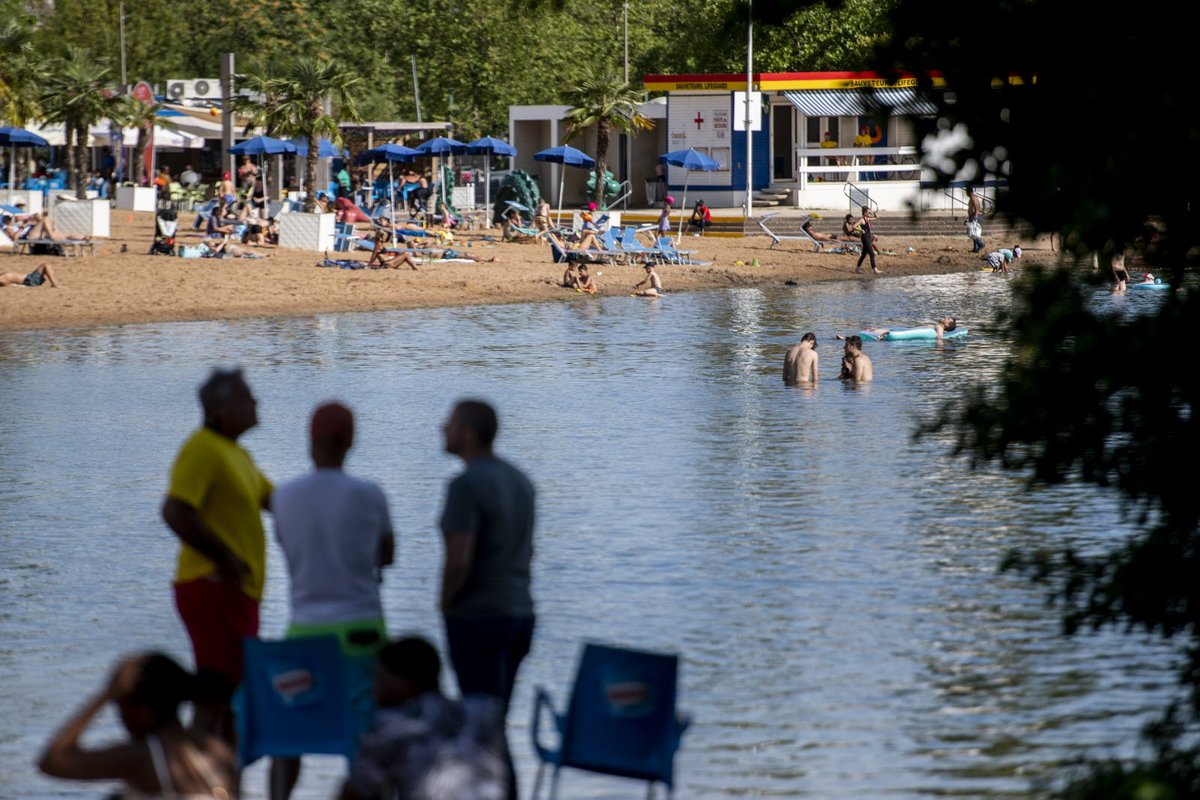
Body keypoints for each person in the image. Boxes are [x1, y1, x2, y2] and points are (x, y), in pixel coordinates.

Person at [270, 402, 396, 800]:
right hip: (361, 632)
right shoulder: (369, 494)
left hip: (303, 635)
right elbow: (387, 555)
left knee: (288, 737)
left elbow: (287, 547)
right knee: (365, 739)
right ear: (351, 442)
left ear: (310, 441)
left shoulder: (283, 497)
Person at [161, 368, 272, 743]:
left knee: (232, 700)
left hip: (236, 594)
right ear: (219, 410)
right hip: (212, 590)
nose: (256, 401)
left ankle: (221, 783)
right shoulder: (202, 449)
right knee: (218, 699)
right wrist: (225, 559)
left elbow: (276, 500)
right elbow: (175, 510)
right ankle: (197, 783)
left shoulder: (236, 453)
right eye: (246, 396)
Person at [439, 399, 535, 800]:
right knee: (494, 723)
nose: (442, 428)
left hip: (478, 616)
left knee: (480, 723)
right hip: (520, 613)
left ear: (470, 433)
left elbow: (460, 557)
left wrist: (444, 604)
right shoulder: (520, 480)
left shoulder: (466, 484)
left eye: (451, 423)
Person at [38, 654, 238, 798]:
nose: (121, 719)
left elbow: (52, 761)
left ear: (142, 711)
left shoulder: (143, 756)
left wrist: (105, 695)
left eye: (120, 707)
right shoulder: (218, 751)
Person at [339, 637, 508, 800]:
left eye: (379, 679)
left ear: (403, 682)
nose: (373, 690)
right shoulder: (486, 710)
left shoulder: (392, 726)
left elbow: (358, 792)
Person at [847, 316, 959, 342]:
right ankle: (848, 338)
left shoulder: (939, 327)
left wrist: (941, 344)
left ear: (947, 325)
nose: (945, 317)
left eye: (947, 319)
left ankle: (848, 338)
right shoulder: (937, 327)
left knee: (877, 332)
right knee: (877, 332)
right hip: (899, 334)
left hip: (897, 335)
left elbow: (939, 337)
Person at [855, 206, 881, 274]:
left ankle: (857, 269)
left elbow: (877, 217)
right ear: (864, 213)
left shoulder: (867, 219)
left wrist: (873, 213)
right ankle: (874, 269)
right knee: (872, 254)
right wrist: (861, 230)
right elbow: (854, 226)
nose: (869, 213)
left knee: (863, 255)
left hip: (868, 238)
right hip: (865, 238)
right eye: (868, 212)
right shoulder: (862, 220)